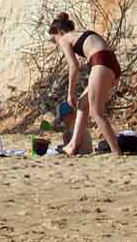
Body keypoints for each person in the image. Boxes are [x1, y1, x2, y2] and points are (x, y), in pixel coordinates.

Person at [49, 13, 120, 156]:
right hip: (112, 64)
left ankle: (116, 151)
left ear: (60, 32)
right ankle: (73, 146)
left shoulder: (64, 39)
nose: (56, 42)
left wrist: (70, 93)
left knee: (96, 112)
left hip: (101, 62)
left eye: (54, 38)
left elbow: (74, 66)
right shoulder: (80, 33)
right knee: (83, 104)